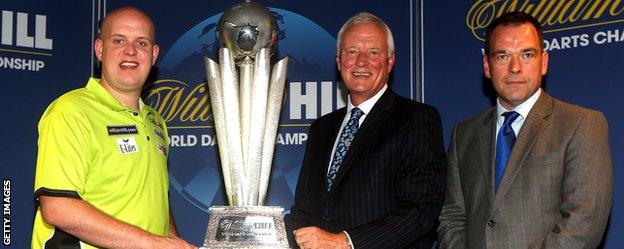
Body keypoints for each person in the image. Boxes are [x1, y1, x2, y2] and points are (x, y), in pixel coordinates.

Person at [437, 11, 613, 248]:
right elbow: (452, 218)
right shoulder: (464, 134)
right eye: (502, 56)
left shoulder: (582, 124)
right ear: (487, 66)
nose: (515, 68)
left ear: (544, 62)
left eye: (527, 54)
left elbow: (583, 222)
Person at [30, 7, 196, 249]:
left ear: (153, 54)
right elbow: (57, 208)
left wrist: (171, 240)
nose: (130, 50)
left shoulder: (155, 121)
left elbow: (156, 201)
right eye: (118, 40)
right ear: (100, 49)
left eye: (141, 43)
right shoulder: (71, 111)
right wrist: (151, 244)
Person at [285, 12, 446, 249]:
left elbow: (420, 211)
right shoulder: (321, 128)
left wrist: (345, 242)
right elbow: (302, 212)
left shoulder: (417, 119)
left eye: (373, 53)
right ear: (339, 61)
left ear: (390, 62)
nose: (361, 62)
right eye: (352, 52)